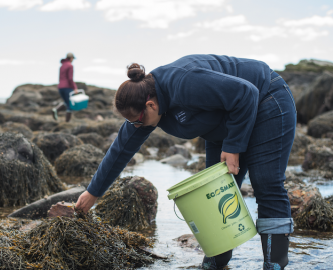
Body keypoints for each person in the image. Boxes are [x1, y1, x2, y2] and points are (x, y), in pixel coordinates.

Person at [75, 54, 296, 270]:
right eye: (132, 122)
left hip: (267, 99)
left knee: (266, 183)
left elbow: (246, 93)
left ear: (151, 105)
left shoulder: (184, 83)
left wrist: (233, 147)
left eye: (139, 121)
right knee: (215, 192)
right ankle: (215, 263)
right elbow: (120, 150)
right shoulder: (143, 111)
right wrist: (93, 192)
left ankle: (274, 263)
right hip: (225, 122)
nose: (137, 126)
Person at [52, 52, 78, 122]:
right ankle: (67, 122)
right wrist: (75, 88)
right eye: (73, 58)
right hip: (67, 88)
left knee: (66, 102)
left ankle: (56, 110)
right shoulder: (70, 66)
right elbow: (70, 78)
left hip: (60, 87)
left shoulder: (62, 66)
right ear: (71, 58)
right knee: (70, 104)